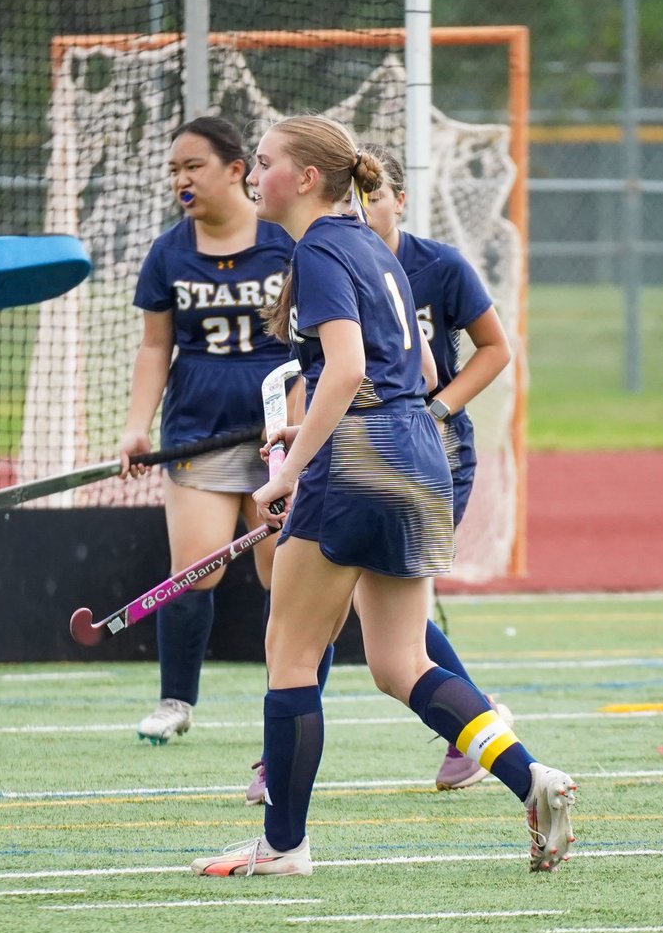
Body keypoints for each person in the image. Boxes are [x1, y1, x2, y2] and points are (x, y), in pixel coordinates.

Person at [189, 115, 576, 879]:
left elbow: (343, 369)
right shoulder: (375, 246)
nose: (251, 174)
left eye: (262, 163)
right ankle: (531, 779)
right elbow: (421, 363)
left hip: (359, 454)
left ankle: (285, 845)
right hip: (420, 452)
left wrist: (291, 467)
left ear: (304, 179)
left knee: (291, 652)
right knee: (400, 661)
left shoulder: (322, 247)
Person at [119, 116, 306, 744]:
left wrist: (301, 430)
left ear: (235, 171)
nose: (181, 179)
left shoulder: (285, 242)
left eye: (193, 166)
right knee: (195, 571)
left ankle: (292, 702)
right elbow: (154, 349)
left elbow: (315, 343)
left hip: (280, 436)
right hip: (199, 434)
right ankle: (176, 703)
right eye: (174, 169)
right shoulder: (169, 252)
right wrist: (135, 428)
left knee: (283, 575)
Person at [360, 142, 516, 789]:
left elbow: (494, 348)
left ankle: (477, 724)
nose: (361, 209)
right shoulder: (326, 267)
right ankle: (477, 723)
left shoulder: (440, 266)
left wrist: (439, 409)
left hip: (431, 453)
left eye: (372, 195)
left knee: (381, 602)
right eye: (349, 196)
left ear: (400, 199)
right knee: (376, 605)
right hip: (357, 452)